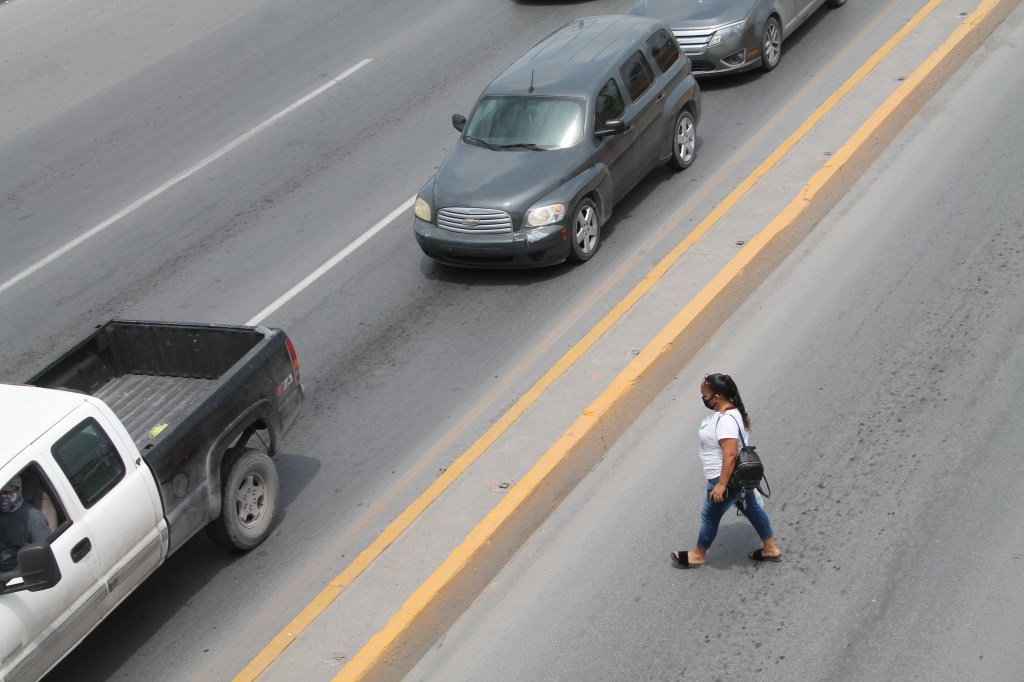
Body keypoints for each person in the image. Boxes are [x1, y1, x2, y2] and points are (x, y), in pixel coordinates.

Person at [671, 373, 782, 568]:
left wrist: (721, 485)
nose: (703, 400)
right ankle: (770, 549)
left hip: (725, 478)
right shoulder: (732, 411)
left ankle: (698, 555)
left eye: (704, 396)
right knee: (753, 509)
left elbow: (730, 454)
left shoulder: (726, 421)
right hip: (737, 478)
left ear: (717, 397)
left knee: (709, 516)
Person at [0, 475, 52, 572]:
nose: (3, 496)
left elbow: (45, 558)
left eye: (7, 492)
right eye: (1, 492)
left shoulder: (34, 519)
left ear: (19, 489)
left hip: (16, 574)